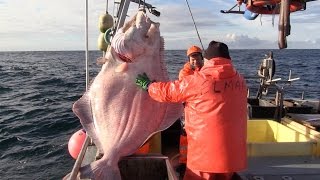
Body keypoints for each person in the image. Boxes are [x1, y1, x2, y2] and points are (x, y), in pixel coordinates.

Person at [135, 41, 248, 180]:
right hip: (233, 154)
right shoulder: (241, 81)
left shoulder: (198, 80)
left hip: (205, 153)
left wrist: (149, 85)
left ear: (206, 59)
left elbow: (170, 91)